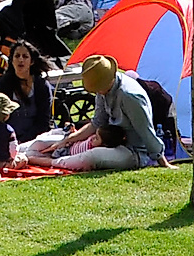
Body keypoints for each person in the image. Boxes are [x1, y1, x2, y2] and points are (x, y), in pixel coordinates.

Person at [18, 55, 174, 172]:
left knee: (90, 158)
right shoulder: (103, 90)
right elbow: (97, 123)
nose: (98, 92)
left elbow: (146, 131)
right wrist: (69, 139)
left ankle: (45, 161)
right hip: (102, 139)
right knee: (45, 141)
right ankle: (14, 151)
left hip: (131, 151)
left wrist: (162, 161)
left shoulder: (130, 96)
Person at [0, 40, 54, 142]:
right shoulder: (2, 84)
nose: (21, 59)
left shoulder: (41, 86)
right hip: (7, 138)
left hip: (37, 139)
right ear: (12, 60)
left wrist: (25, 140)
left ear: (32, 62)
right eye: (17, 56)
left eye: (25, 57)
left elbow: (43, 121)